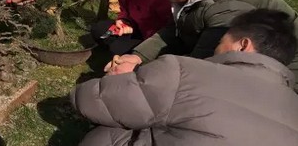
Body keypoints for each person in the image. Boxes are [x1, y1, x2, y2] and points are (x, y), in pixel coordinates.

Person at [71, 9, 298, 146]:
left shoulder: (186, 72)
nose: (216, 48)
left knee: (111, 132)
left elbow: (91, 100)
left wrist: (115, 79)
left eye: (221, 41)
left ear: (243, 45)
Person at [108, 0, 298, 90]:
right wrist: (139, 56)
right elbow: (177, 29)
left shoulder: (227, 10)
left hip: (283, 71)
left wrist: (139, 72)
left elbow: (201, 68)